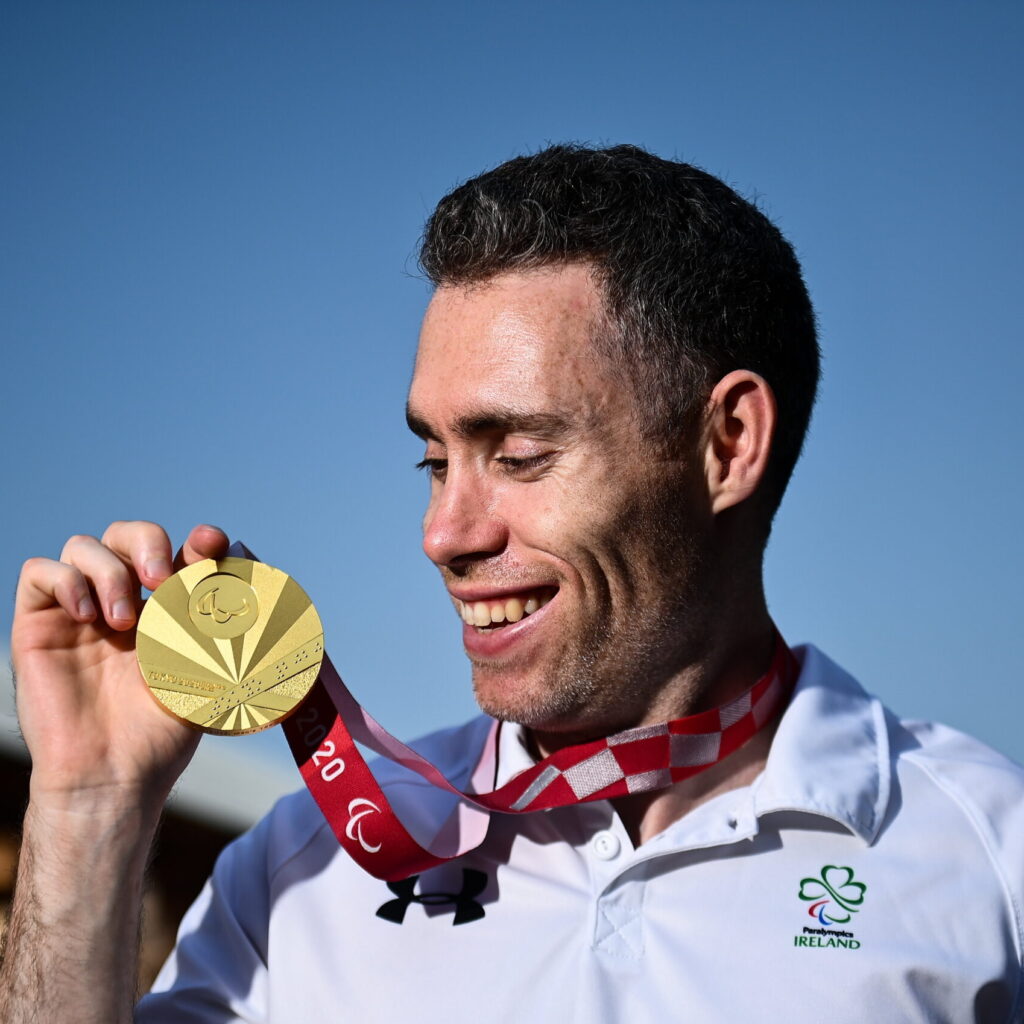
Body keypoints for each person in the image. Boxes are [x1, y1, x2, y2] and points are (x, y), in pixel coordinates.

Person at [2, 145, 1022, 1023]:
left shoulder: (987, 857)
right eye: (434, 459)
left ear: (725, 444)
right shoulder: (303, 858)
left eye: (521, 452)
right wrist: (86, 806)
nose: (443, 533)